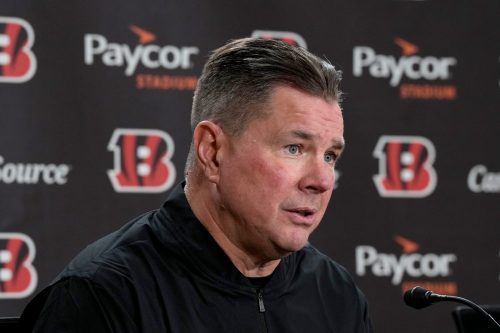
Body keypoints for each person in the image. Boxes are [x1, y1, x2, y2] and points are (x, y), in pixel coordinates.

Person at [21, 37, 373, 332]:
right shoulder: (103, 295)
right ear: (212, 150)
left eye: (330, 156)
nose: (322, 180)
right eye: (294, 148)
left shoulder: (336, 295)